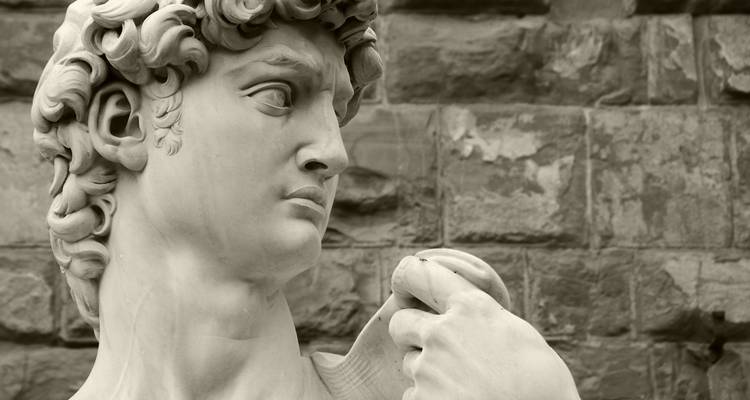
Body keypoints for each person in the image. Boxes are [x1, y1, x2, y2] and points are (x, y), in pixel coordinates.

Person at [31, 0, 581, 398]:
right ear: (124, 124)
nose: (334, 152)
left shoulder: (473, 379)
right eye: (279, 95)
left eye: (337, 113)